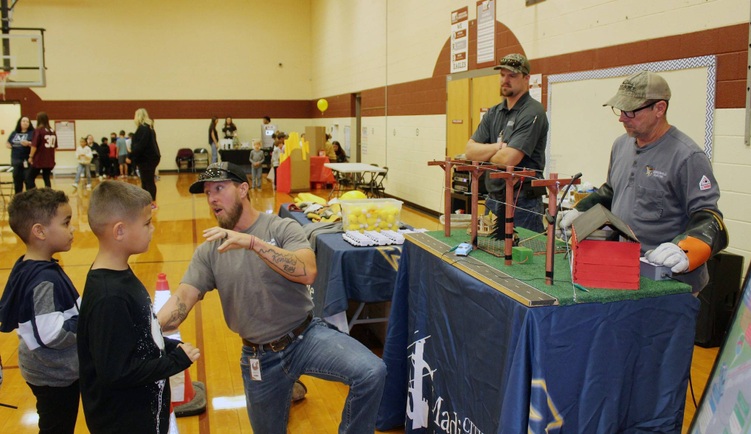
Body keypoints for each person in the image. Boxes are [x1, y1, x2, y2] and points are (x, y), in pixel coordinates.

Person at [157, 162, 386, 433]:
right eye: (208, 193)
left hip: (305, 337)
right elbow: (183, 298)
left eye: (219, 188)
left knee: (371, 372)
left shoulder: (281, 228)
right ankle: (286, 388)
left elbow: (307, 271)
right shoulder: (210, 249)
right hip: (259, 357)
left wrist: (254, 244)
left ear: (243, 189)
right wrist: (148, 327)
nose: (212, 199)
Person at [559, 70, 728, 293]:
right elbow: (612, 190)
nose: (621, 118)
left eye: (630, 111)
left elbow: (709, 217)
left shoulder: (687, 157)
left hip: (670, 281)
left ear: (659, 108)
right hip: (624, 268)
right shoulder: (621, 145)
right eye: (620, 110)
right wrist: (582, 211)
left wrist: (685, 250)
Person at [77, 181, 199, 433]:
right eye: (146, 223)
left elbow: (136, 339)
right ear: (119, 231)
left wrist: (166, 346)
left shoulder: (120, 275)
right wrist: (174, 361)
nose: (152, 229)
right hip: (123, 421)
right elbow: (116, 372)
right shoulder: (110, 297)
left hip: (143, 414)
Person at [0, 188, 81, 434]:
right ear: (40, 231)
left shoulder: (26, 264)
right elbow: (51, 334)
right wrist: (89, 319)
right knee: (57, 427)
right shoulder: (43, 280)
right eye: (66, 223)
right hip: (54, 375)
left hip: (43, 369)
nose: (72, 229)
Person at [465, 53, 548, 233]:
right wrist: (498, 147)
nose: (505, 80)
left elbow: (509, 159)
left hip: (522, 202)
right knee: (488, 255)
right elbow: (470, 151)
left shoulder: (532, 112)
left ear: (526, 79)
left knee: (520, 256)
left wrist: (487, 154)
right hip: (493, 198)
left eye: (512, 75)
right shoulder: (494, 113)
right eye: (502, 75)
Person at [131, 108, 162, 204]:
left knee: (148, 181)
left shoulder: (143, 129)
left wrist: (131, 156)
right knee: (145, 181)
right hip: (149, 158)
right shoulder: (148, 128)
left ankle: (152, 202)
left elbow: (140, 145)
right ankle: (146, 202)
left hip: (147, 159)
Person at [25, 112, 57, 190]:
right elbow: (55, 147)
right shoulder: (52, 131)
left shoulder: (38, 130)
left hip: (39, 159)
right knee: (46, 178)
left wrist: (31, 156)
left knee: (29, 178)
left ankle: (34, 194)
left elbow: (34, 145)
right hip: (49, 159)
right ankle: (49, 196)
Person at [5, 115, 34, 194]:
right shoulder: (14, 133)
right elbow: (8, 142)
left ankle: (30, 200)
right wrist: (8, 144)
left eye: (27, 121)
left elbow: (35, 145)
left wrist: (28, 143)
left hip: (27, 161)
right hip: (16, 160)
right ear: (20, 123)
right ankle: (18, 199)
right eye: (23, 121)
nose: (25, 123)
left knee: (28, 181)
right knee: (17, 181)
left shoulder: (32, 133)